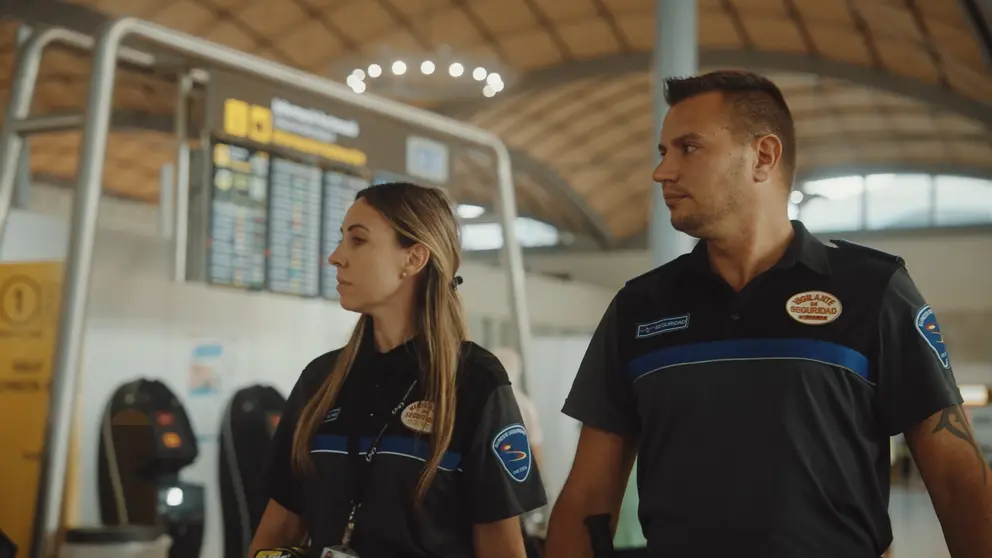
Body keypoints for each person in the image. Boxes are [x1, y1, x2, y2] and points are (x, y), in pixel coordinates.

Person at [544, 70, 992, 558]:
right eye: (662, 152)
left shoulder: (874, 291)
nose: (662, 172)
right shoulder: (639, 308)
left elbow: (957, 480)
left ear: (763, 156)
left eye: (688, 148)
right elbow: (588, 498)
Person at [250, 182, 547, 558]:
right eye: (342, 239)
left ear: (413, 259)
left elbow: (501, 549)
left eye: (358, 241)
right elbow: (277, 531)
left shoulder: (475, 381)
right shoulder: (321, 380)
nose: (336, 257)